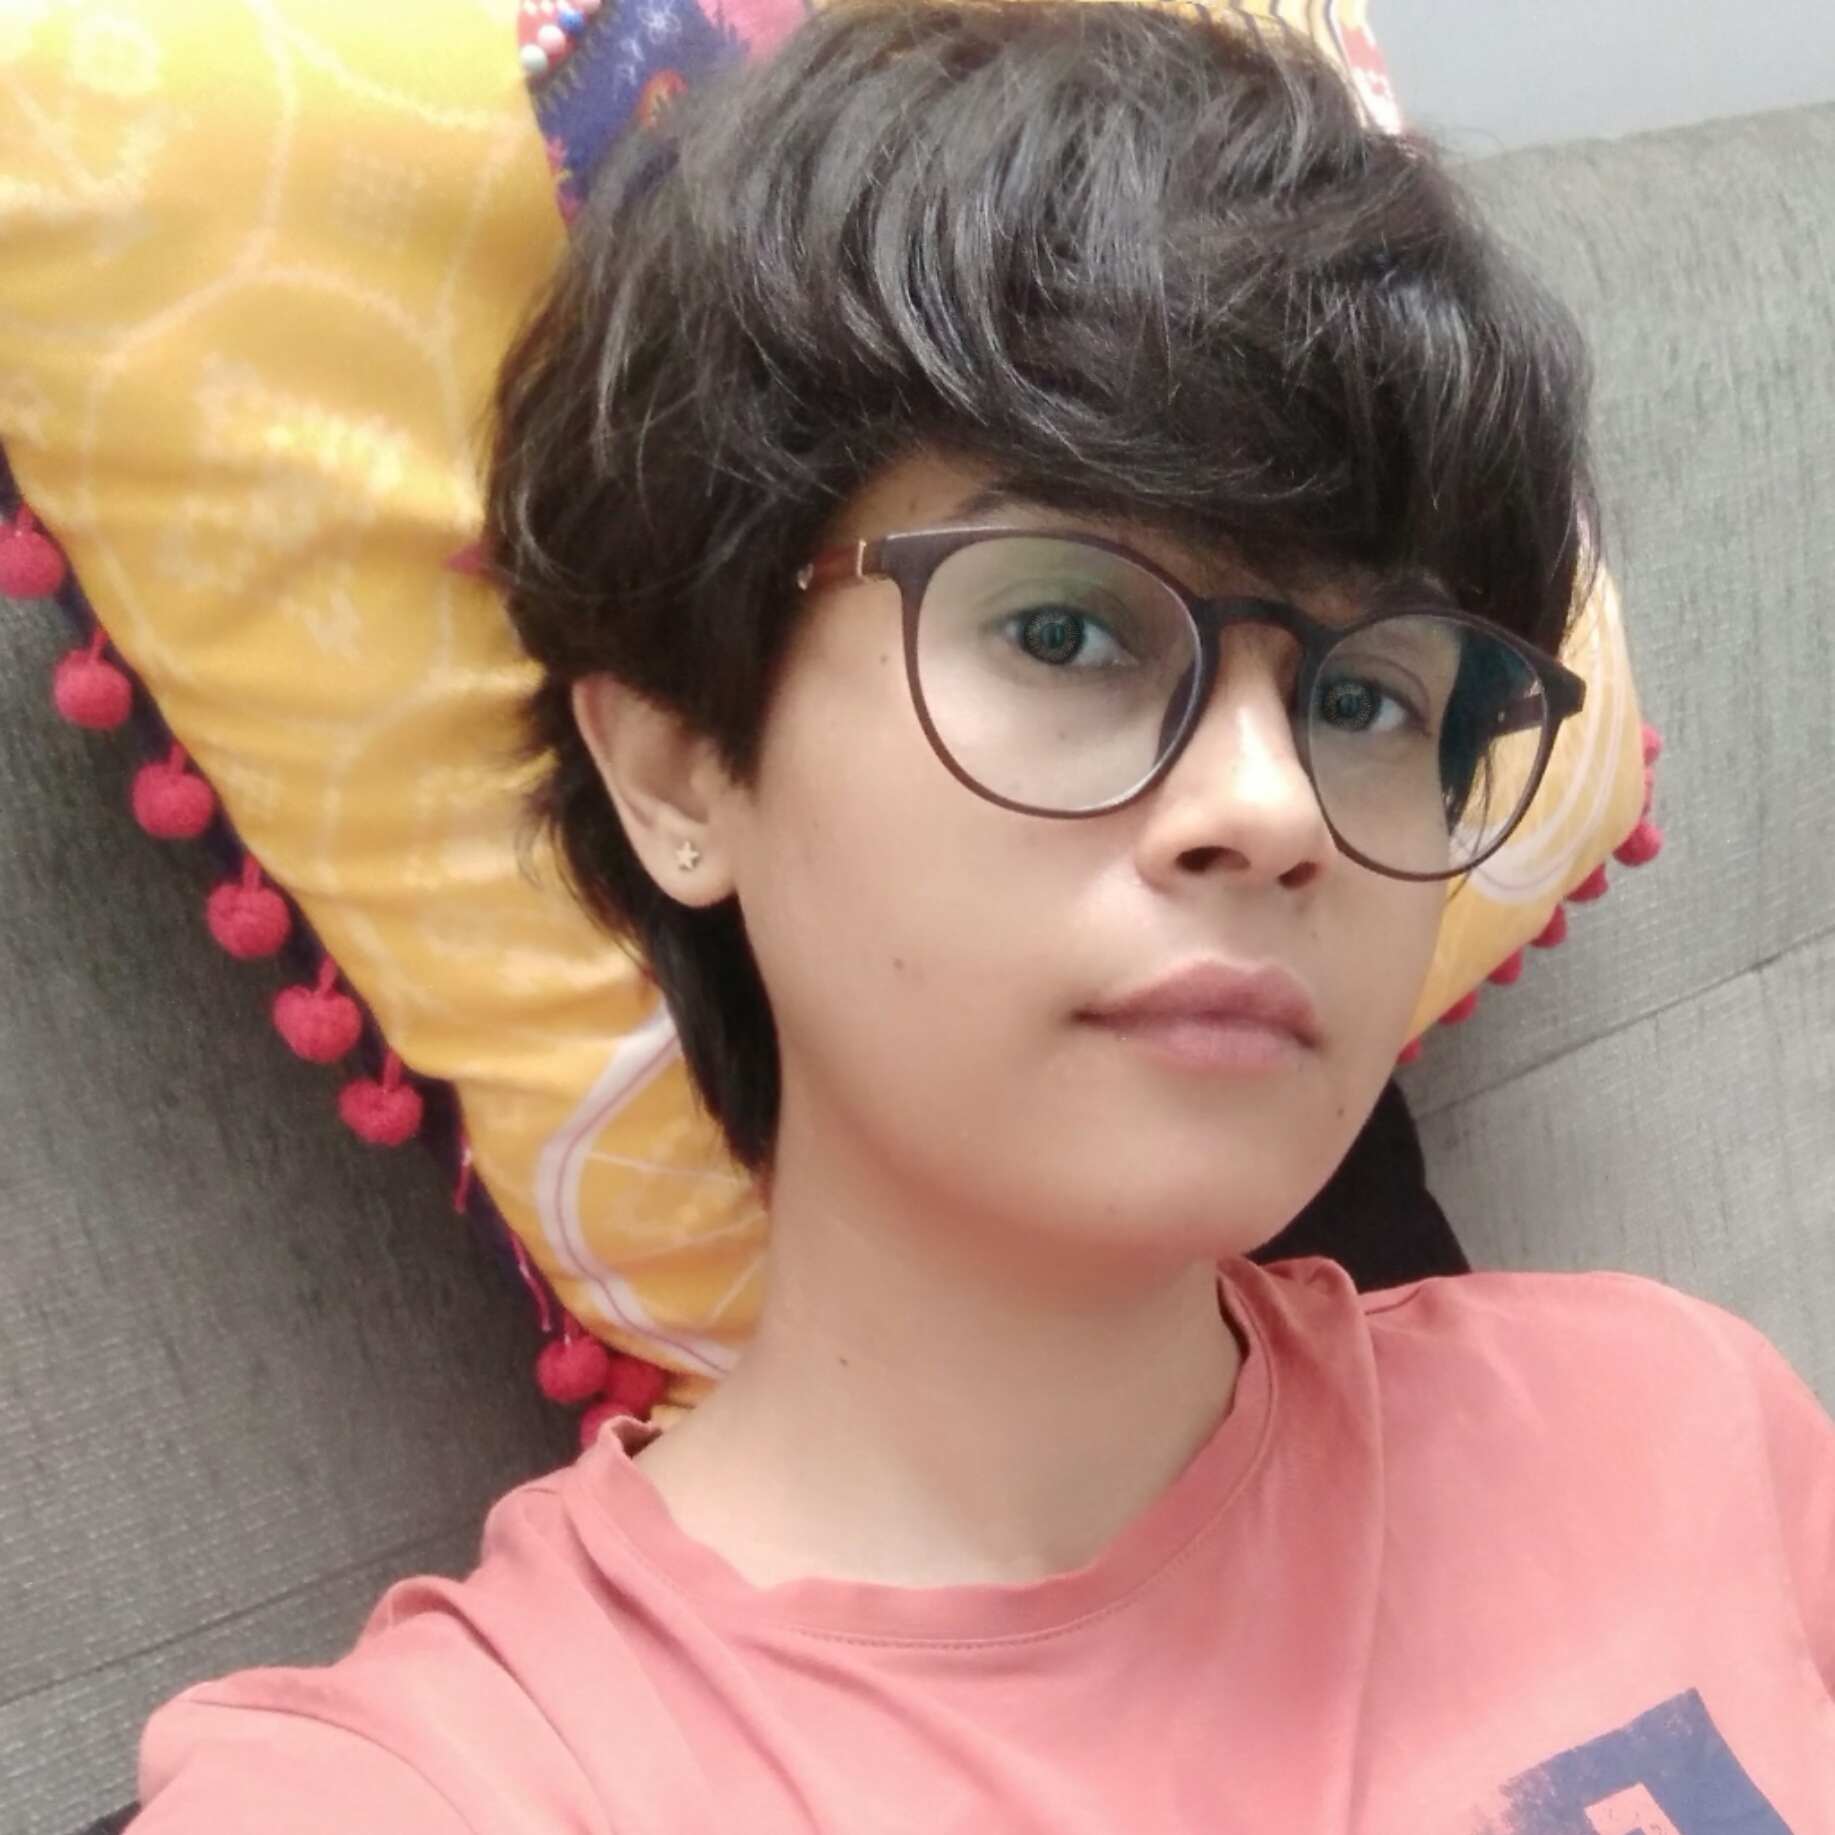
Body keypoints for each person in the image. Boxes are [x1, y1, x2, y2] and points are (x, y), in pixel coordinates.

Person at [132, 4, 1835, 1829]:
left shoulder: (1666, 1418)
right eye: (1067, 631)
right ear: (683, 768)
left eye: (1369, 698)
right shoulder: (452, 1780)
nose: (1274, 811)